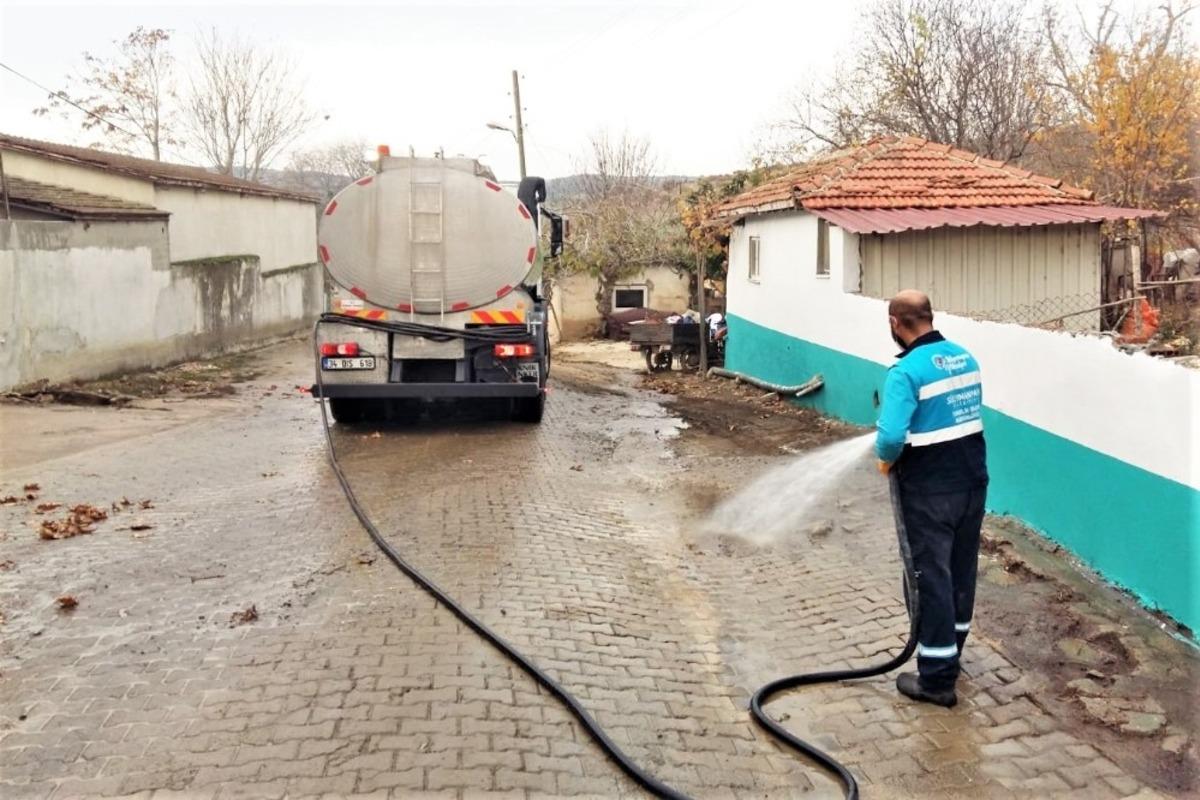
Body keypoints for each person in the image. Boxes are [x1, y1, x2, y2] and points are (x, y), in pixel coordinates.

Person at [875, 290, 988, 708]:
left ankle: (938, 678)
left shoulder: (905, 372)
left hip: (929, 489)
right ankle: (952, 650)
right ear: (929, 317)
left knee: (929, 576)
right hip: (972, 481)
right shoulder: (964, 357)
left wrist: (886, 459)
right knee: (960, 568)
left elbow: (889, 437)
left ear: (896, 323)